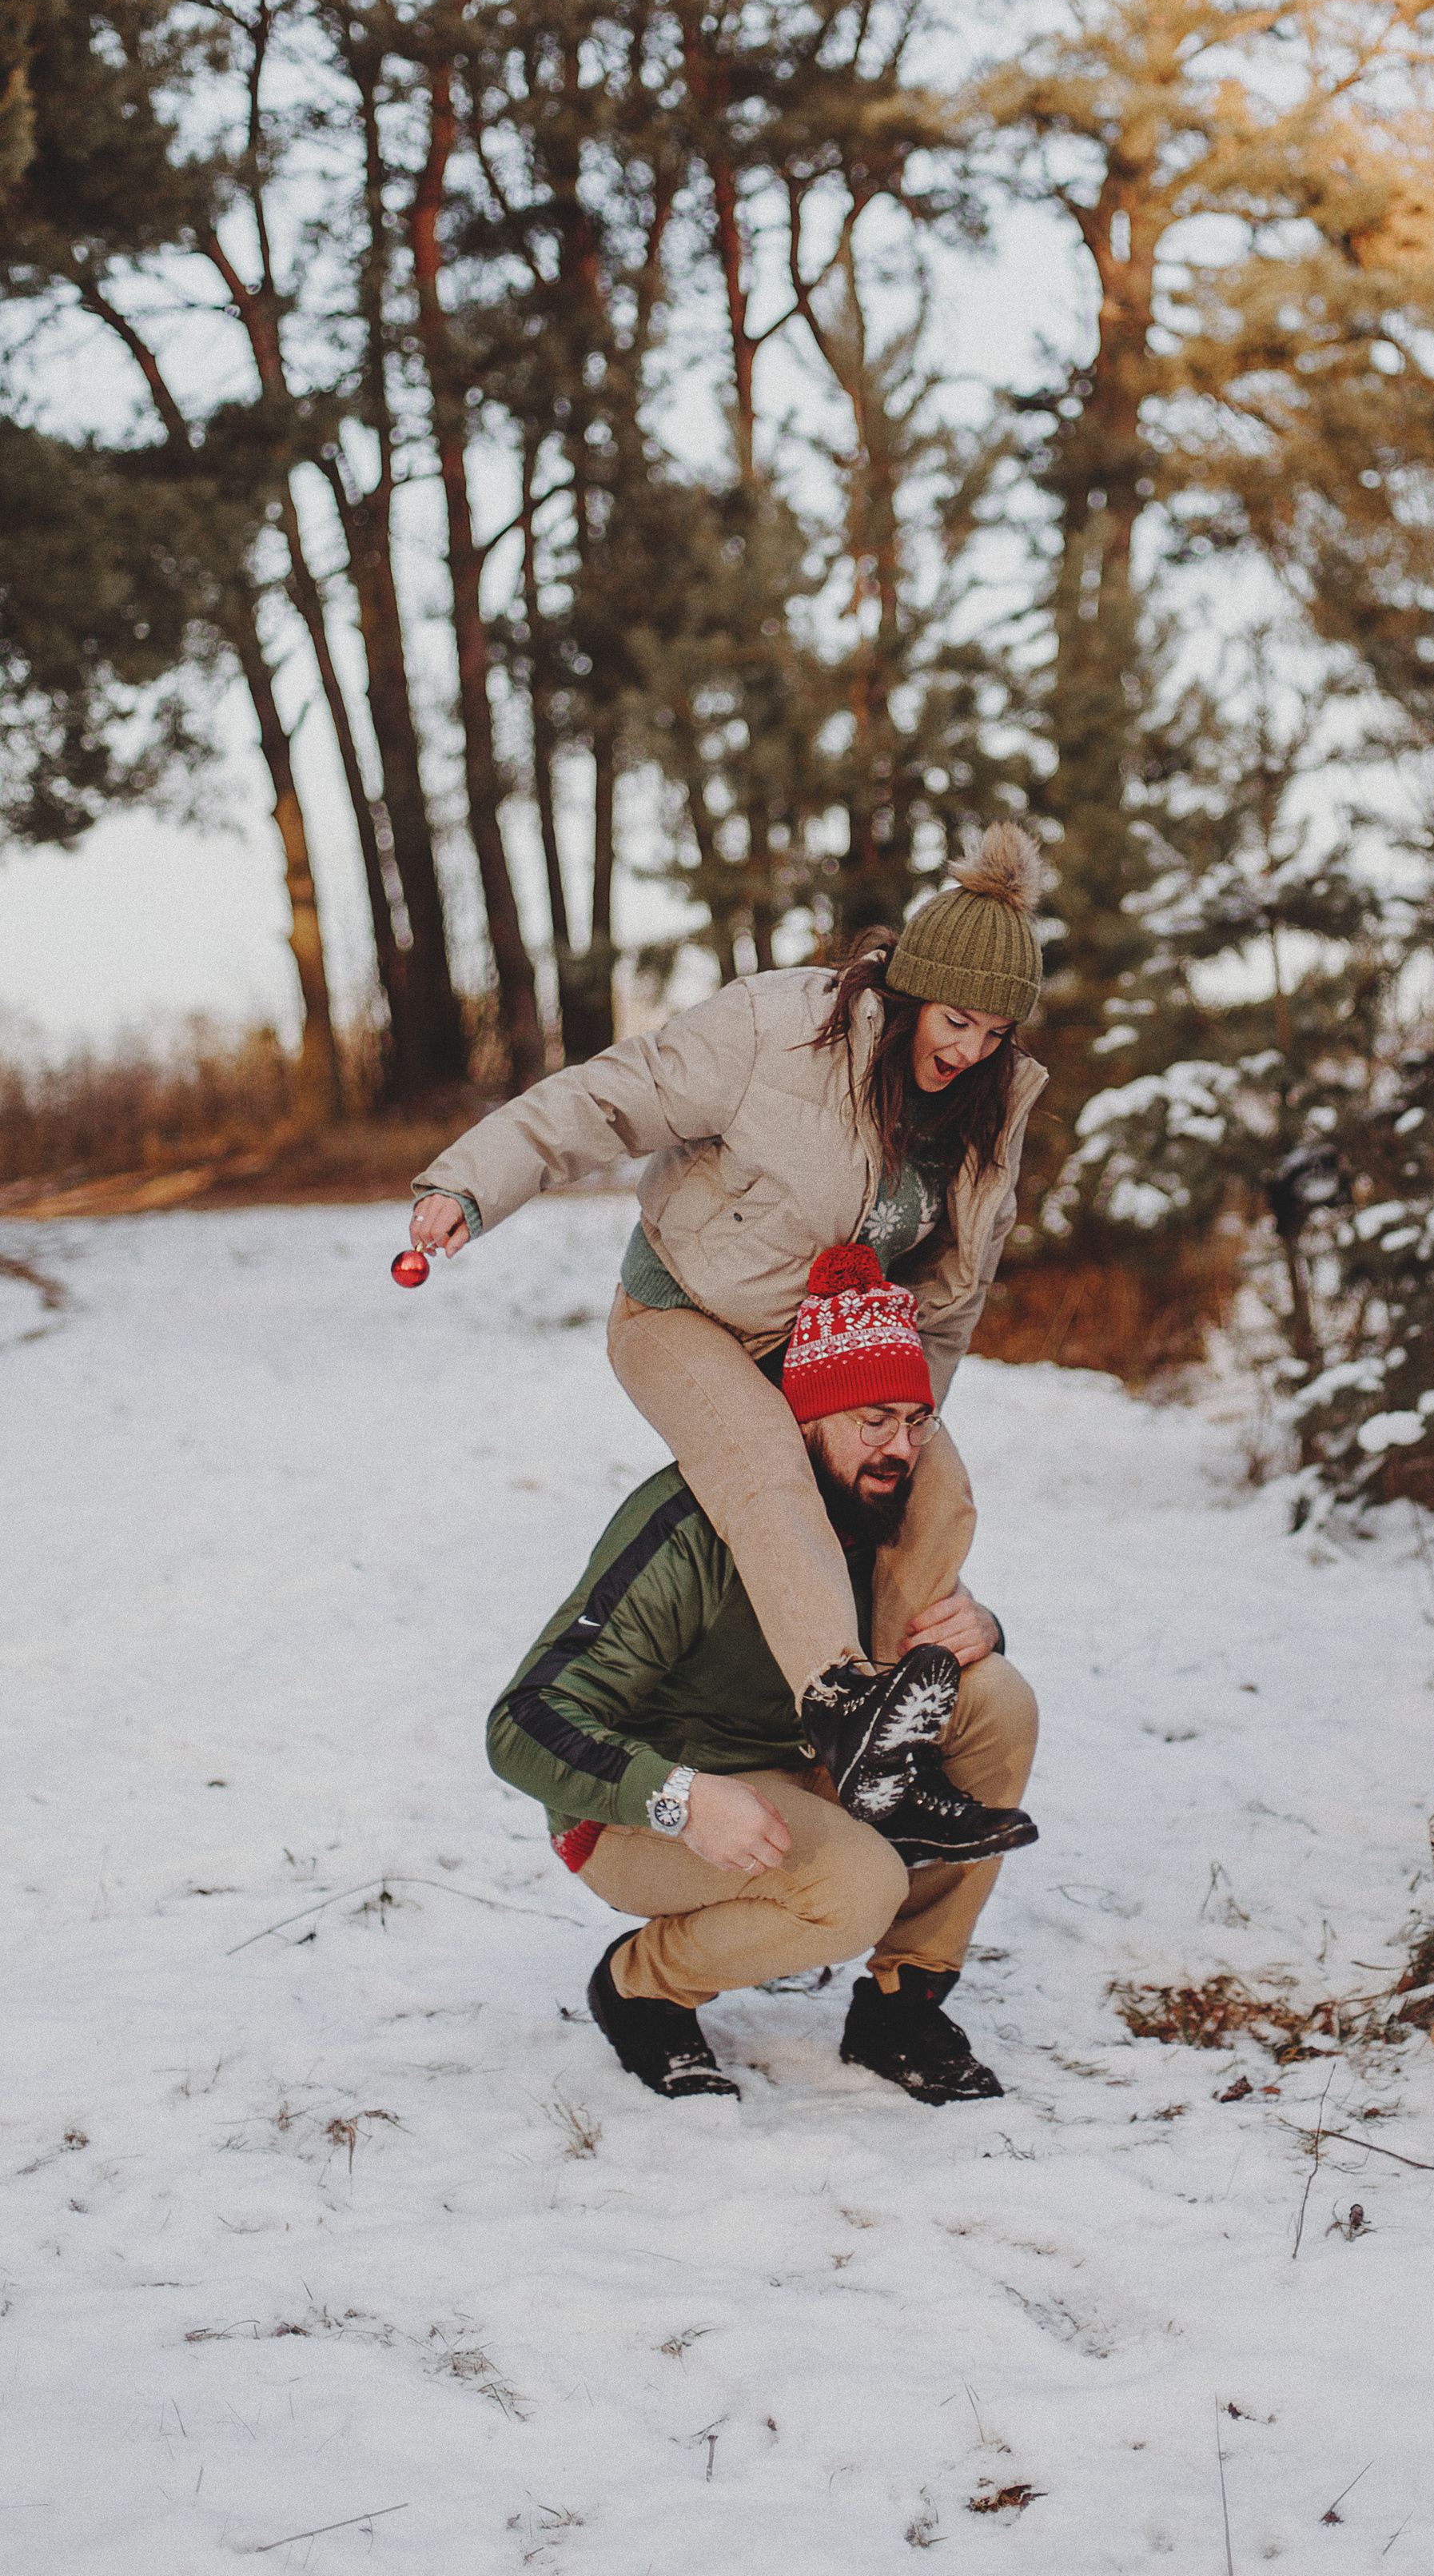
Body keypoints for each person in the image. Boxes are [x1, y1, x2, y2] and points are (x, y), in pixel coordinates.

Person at [410, 823, 1050, 1864]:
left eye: (996, 1033)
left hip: (829, 1345)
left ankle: (886, 1745)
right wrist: (469, 1186)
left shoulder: (991, 1105)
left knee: (940, 1490)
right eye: (957, 1021)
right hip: (683, 1315)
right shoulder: (778, 1032)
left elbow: (949, 1296)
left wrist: (901, 1420)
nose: (970, 1051)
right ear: (909, 991)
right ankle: (847, 1719)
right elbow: (607, 1099)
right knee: (762, 1468)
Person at [488, 1246, 1038, 2107]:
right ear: (806, 1422)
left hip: (800, 1765)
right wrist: (679, 1796)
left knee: (998, 1696)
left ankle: (904, 2003)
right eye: (874, 1421)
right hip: (648, 1808)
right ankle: (644, 1987)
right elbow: (523, 1720)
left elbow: (924, 1670)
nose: (901, 1448)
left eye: (917, 1422)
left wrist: (982, 1628)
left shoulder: (878, 1514)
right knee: (857, 1889)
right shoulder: (692, 1525)